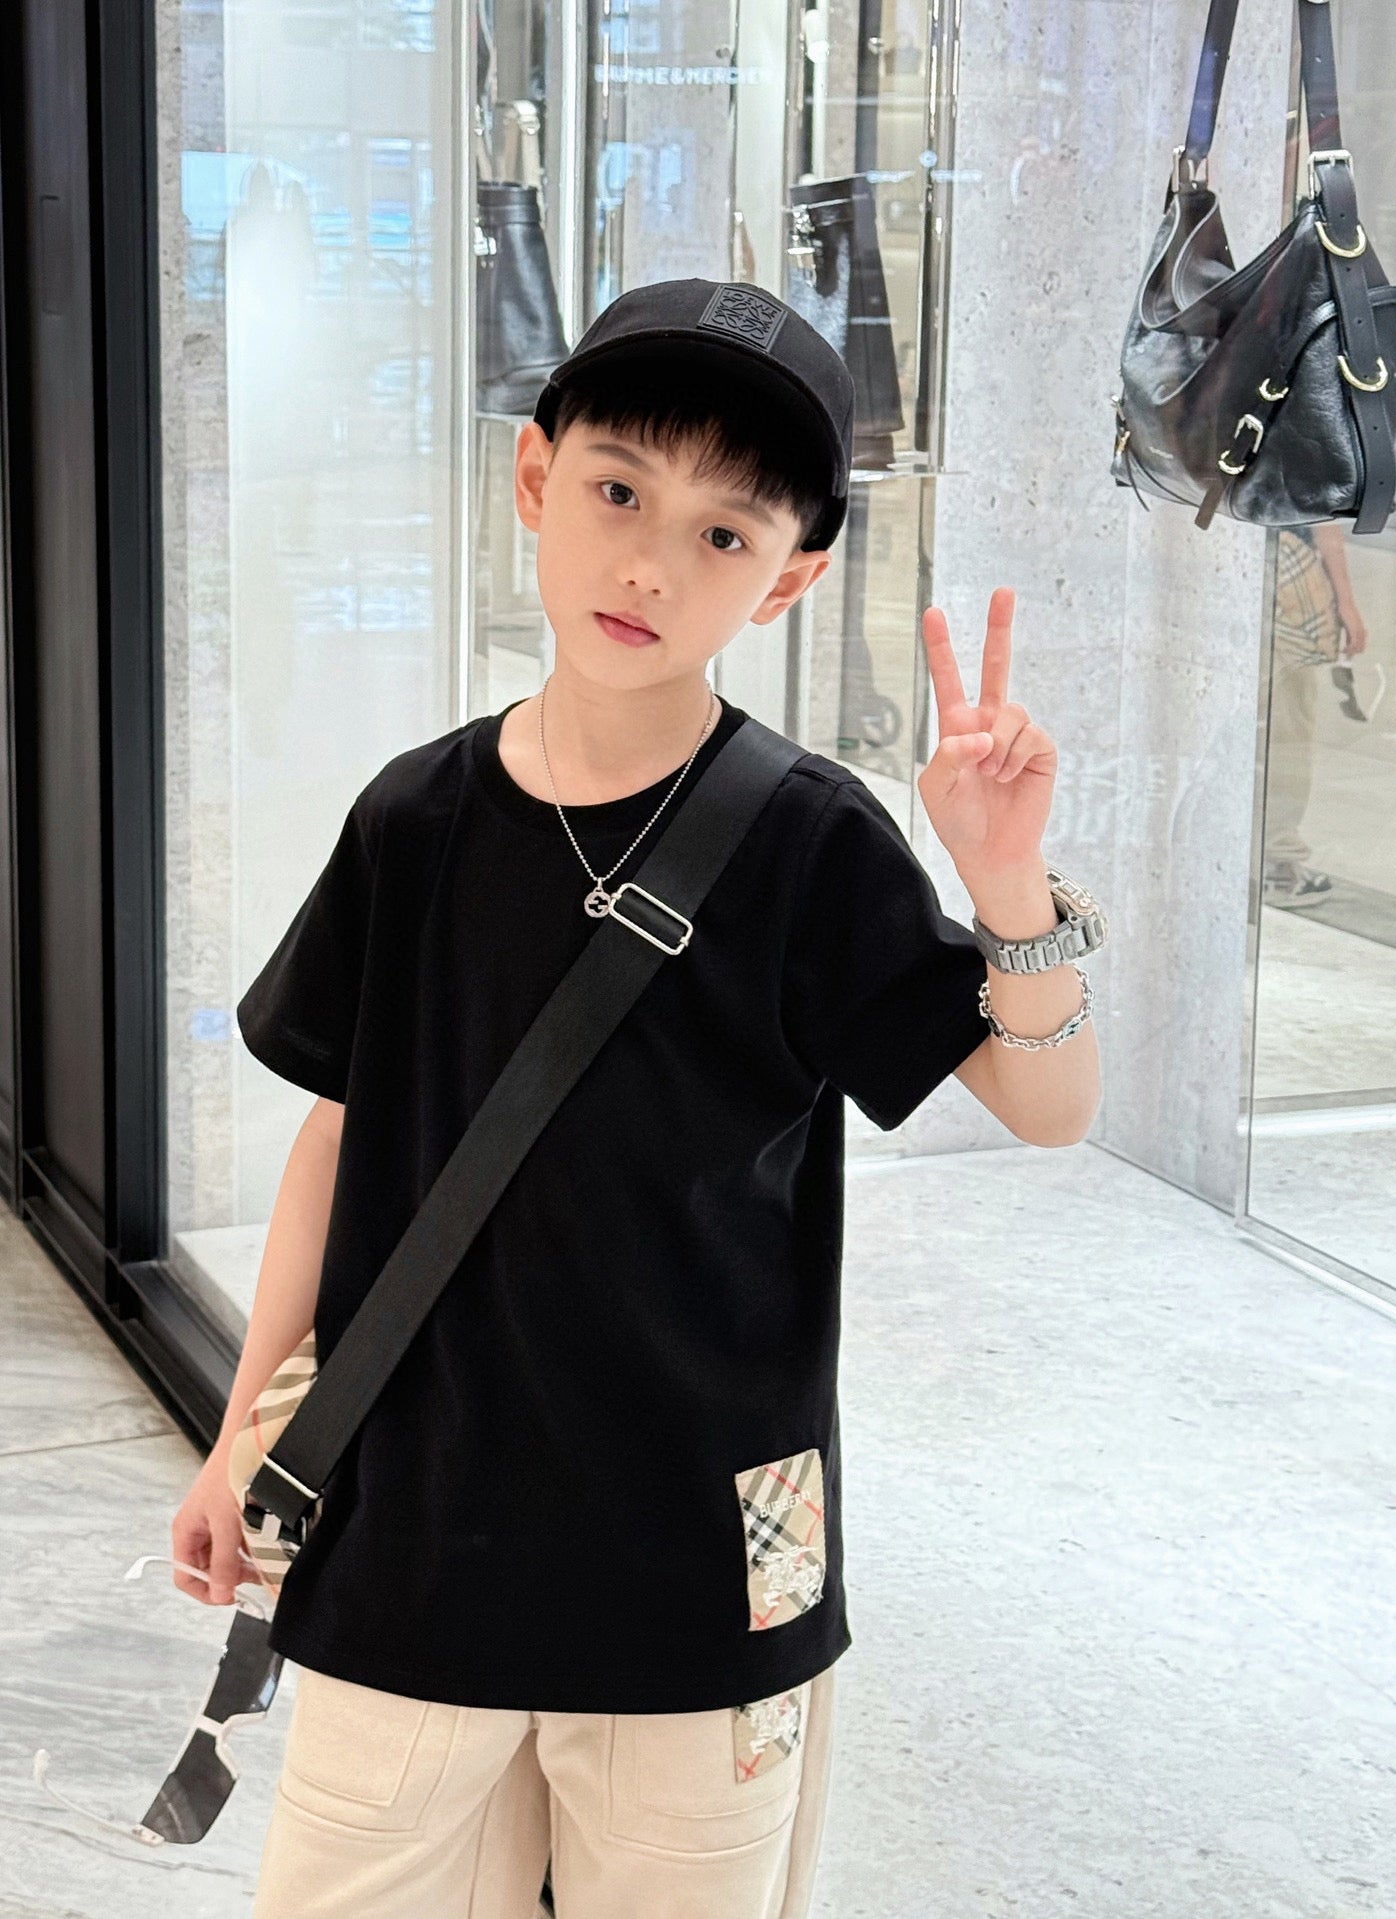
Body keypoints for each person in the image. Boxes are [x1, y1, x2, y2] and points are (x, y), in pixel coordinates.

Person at [172, 278, 1103, 1918]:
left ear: (789, 575)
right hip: (415, 1536)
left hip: (711, 1567)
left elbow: (1048, 1103)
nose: (653, 564)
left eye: (723, 533)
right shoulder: (415, 820)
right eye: (618, 490)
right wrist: (247, 1434)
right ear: (536, 478)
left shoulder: (813, 840)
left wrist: (1010, 886)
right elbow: (341, 1134)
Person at [1263, 522, 1369, 909]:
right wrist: (1346, 603)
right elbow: (1324, 522)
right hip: (1286, 581)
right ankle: (1277, 866)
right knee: (1285, 734)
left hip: (1231, 567)